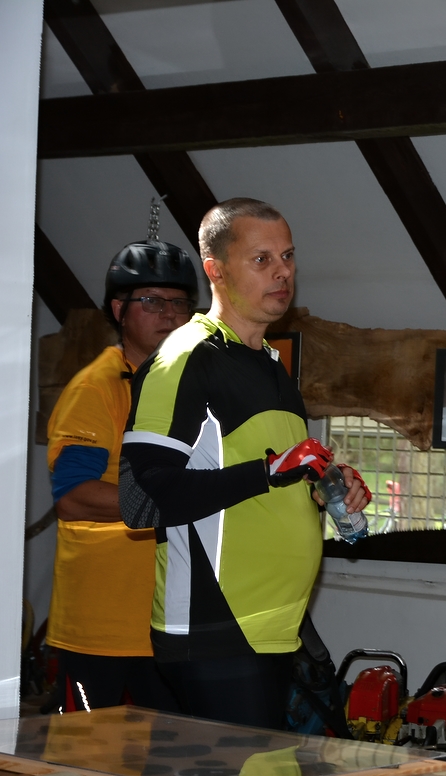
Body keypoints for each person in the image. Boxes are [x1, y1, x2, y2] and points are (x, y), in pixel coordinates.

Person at [119, 198, 370, 729]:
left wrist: (326, 487)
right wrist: (268, 472)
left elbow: (272, 483)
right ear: (215, 270)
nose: (283, 272)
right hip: (214, 632)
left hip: (277, 629)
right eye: (262, 259)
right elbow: (142, 500)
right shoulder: (183, 358)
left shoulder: (271, 365)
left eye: (288, 256)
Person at [44, 238, 198, 713]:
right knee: (82, 752)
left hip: (169, 622)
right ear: (119, 310)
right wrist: (177, 502)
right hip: (101, 626)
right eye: (151, 301)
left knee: (172, 751)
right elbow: (73, 496)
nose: (168, 314)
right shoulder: (97, 388)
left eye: (179, 303)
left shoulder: (187, 387)